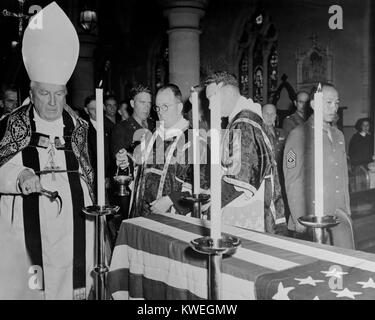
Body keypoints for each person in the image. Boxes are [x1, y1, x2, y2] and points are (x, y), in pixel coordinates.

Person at [0, 3, 95, 299]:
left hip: (74, 230)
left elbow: (90, 174)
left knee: (73, 287)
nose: (53, 103)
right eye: (44, 93)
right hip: (28, 228)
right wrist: (20, 175)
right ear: (31, 93)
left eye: (59, 93)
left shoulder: (79, 126)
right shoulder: (12, 124)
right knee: (33, 289)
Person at [205, 71, 285, 233]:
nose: (209, 106)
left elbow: (241, 178)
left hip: (247, 208)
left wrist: (212, 201)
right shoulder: (246, 119)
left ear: (226, 92)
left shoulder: (244, 123)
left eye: (211, 98)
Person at [116, 84, 210, 218]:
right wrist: (126, 161)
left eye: (165, 106)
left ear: (179, 107)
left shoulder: (193, 139)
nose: (160, 112)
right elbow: (141, 167)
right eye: (158, 107)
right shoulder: (154, 135)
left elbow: (202, 183)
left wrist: (171, 200)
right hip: (142, 212)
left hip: (173, 215)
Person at [283, 83, 355, 249]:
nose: (334, 108)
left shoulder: (338, 135)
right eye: (328, 102)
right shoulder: (299, 134)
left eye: (336, 103)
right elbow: (292, 179)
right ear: (315, 104)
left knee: (344, 265)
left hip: (338, 213)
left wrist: (346, 208)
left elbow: (343, 175)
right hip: (313, 215)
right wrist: (299, 217)